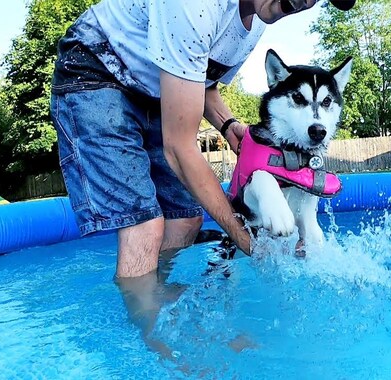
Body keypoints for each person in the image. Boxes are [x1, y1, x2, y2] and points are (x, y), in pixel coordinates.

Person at [50, 0, 356, 279]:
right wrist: (244, 238)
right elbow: (179, 148)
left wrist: (228, 124)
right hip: (96, 69)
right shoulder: (196, 5)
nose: (306, 1)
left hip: (153, 90)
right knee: (144, 225)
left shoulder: (258, 19)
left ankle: (158, 298)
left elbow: (203, 83)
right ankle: (153, 336)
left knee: (184, 221)